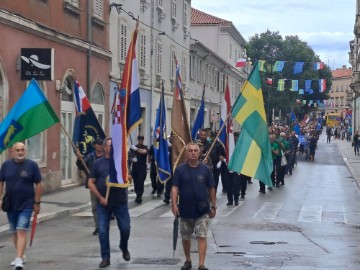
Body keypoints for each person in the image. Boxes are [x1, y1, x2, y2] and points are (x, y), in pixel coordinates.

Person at [171, 143, 216, 270]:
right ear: (186, 153)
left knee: (201, 236)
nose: (193, 153)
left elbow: (212, 188)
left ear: (199, 153)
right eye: (190, 151)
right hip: (185, 209)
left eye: (195, 150)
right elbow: (174, 188)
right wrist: (174, 204)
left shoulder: (206, 170)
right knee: (185, 237)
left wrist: (214, 207)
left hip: (202, 210)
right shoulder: (180, 170)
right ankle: (188, 260)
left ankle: (201, 264)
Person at [88, 138, 131, 268]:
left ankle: (123, 247)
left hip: (120, 201)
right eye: (110, 146)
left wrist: (124, 176)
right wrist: (100, 197)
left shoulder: (121, 163)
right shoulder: (98, 164)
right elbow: (91, 182)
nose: (112, 148)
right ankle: (105, 257)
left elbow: (129, 178)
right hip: (103, 203)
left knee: (125, 228)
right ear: (105, 148)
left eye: (114, 146)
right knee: (102, 230)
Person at [0, 142, 42, 270]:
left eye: (22, 150)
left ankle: (18, 260)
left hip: (27, 204)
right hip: (11, 204)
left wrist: (37, 202)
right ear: (12, 152)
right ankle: (21, 254)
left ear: (25, 151)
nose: (20, 152)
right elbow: (1, 182)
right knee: (14, 232)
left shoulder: (32, 165)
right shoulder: (6, 165)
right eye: (17, 150)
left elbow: (39, 184)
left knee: (21, 230)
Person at [76, 137, 104, 235]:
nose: (101, 146)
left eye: (102, 144)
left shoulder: (106, 156)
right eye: (99, 144)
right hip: (93, 186)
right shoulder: (90, 156)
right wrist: (79, 159)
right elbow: (81, 166)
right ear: (95, 145)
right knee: (95, 207)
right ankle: (98, 227)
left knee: (105, 206)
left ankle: (103, 224)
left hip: (105, 185)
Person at [128, 135, 148, 204]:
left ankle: (139, 196)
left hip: (142, 168)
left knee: (140, 182)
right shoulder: (133, 147)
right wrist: (132, 159)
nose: (141, 141)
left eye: (142, 139)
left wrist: (135, 149)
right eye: (139, 139)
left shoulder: (145, 147)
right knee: (136, 182)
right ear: (138, 139)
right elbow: (129, 156)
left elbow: (144, 152)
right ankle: (137, 194)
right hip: (135, 168)